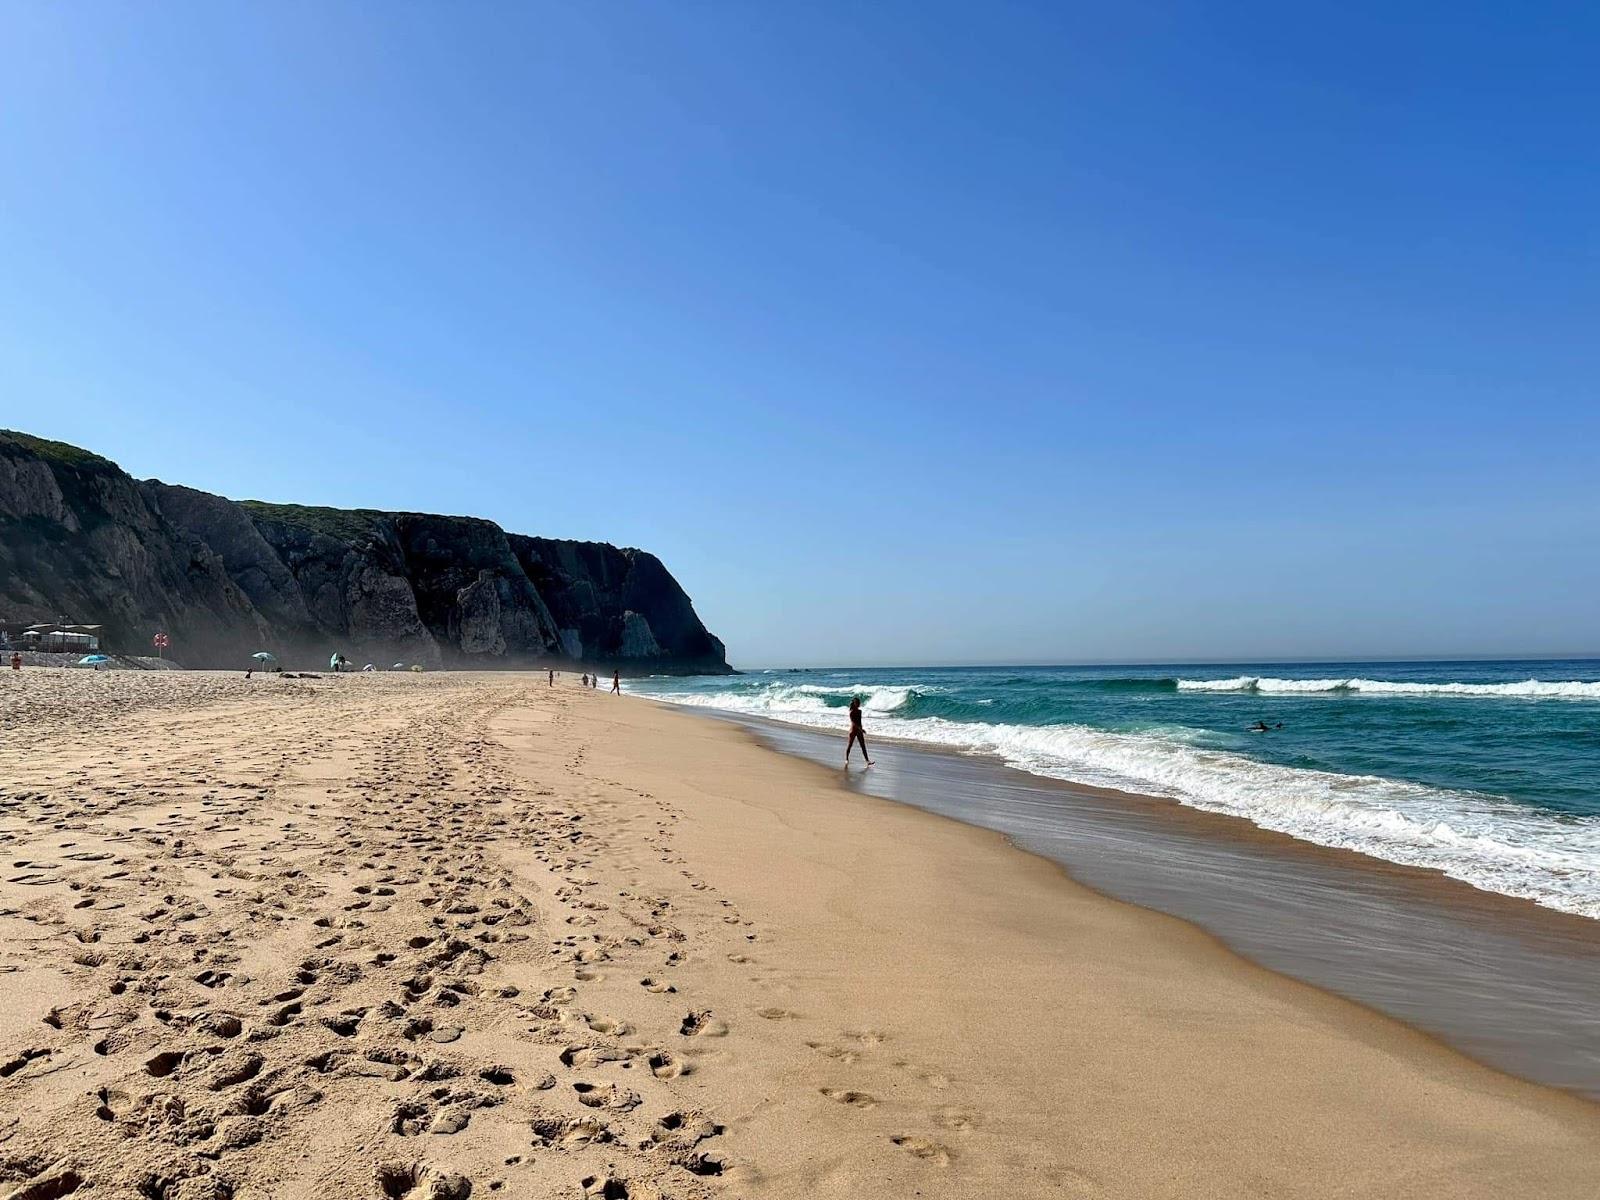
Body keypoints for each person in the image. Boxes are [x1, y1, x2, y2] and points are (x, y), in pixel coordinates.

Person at [845, 696, 874, 766]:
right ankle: (846, 759)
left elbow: (859, 721)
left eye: (859, 703)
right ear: (854, 703)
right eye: (857, 703)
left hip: (859, 730)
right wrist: (860, 729)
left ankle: (867, 761)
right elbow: (853, 722)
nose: (859, 704)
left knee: (863, 746)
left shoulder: (860, 711)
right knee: (850, 745)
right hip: (853, 730)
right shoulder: (851, 712)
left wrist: (861, 729)